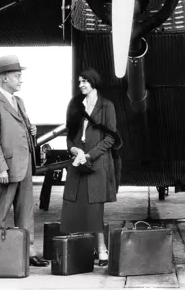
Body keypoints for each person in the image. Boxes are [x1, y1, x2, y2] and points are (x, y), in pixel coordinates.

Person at [0, 55, 49, 267]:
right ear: (3, 78)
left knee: (26, 211)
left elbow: (19, 129)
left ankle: (28, 253)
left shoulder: (18, 101)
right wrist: (0, 168)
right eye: (17, 76)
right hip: (7, 169)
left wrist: (31, 132)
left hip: (25, 165)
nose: (21, 80)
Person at [61, 68, 120, 267]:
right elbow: (69, 135)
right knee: (75, 206)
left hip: (97, 164)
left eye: (85, 81)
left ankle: (102, 249)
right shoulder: (75, 104)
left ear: (94, 82)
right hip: (77, 163)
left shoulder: (107, 106)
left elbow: (111, 137)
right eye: (79, 82)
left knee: (95, 210)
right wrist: (74, 150)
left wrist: (89, 154)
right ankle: (81, 250)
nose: (82, 85)